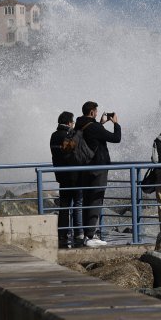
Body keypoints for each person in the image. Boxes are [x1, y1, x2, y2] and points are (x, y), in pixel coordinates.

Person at [75, 101, 121, 248]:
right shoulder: (93, 127)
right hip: (98, 167)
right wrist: (116, 123)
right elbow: (116, 138)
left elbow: (93, 137)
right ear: (92, 112)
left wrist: (100, 124)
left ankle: (86, 234)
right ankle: (91, 236)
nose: (96, 113)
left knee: (87, 200)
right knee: (96, 199)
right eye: (96, 111)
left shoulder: (79, 125)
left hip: (85, 168)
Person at [49, 111, 84, 249]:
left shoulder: (54, 135)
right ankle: (79, 234)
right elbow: (73, 153)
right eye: (73, 122)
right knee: (78, 204)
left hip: (61, 175)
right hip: (74, 175)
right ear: (69, 122)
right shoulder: (68, 135)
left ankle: (62, 234)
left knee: (64, 206)